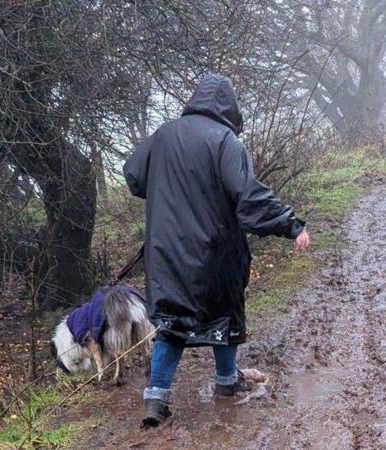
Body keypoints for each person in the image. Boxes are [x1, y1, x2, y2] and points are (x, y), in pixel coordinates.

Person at [123, 73, 310, 427]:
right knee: (223, 315)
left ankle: (156, 398)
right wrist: (291, 224)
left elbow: (134, 177)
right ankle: (226, 381)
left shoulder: (163, 134)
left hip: (165, 251)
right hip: (214, 251)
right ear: (229, 108)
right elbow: (248, 197)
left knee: (171, 323)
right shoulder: (225, 140)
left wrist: (169, 191)